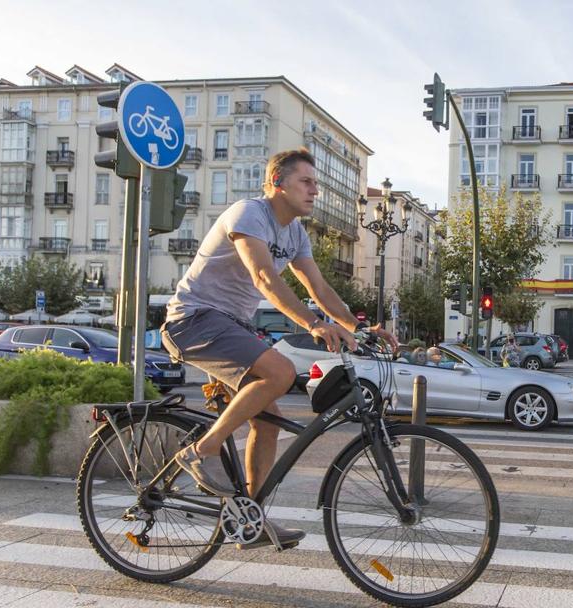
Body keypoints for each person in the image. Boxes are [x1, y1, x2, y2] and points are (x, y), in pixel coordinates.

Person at [161, 148, 398, 549]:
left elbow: (319, 289)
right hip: (193, 319)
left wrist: (357, 327)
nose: (315, 191)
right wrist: (313, 325)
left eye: (316, 184)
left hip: (231, 325)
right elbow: (264, 278)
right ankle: (204, 449)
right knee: (281, 373)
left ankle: (248, 520)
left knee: (268, 419)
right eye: (306, 182)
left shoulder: (295, 233)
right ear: (277, 183)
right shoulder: (249, 214)